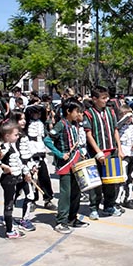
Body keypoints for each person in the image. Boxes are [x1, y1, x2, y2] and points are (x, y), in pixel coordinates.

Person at [44, 99, 89, 233]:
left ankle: (72, 217)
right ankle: (61, 221)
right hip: (65, 164)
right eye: (76, 111)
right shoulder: (61, 125)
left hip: (76, 161)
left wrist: (81, 153)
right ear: (68, 111)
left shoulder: (74, 125)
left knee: (76, 191)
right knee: (65, 193)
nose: (78, 114)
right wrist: (59, 154)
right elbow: (47, 140)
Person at [84, 86, 125, 220]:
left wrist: (120, 148)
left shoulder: (111, 112)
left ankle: (109, 206)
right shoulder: (88, 113)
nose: (106, 100)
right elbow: (89, 135)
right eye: (103, 98)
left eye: (107, 97)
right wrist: (98, 152)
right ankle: (94, 208)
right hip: (97, 153)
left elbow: (115, 130)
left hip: (111, 151)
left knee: (111, 182)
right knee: (96, 183)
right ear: (94, 99)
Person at [0, 119, 31, 239]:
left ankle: (10, 226)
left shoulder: (13, 146)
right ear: (7, 136)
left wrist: (25, 172)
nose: (17, 137)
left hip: (16, 178)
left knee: (13, 201)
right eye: (15, 135)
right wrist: (5, 167)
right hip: (8, 180)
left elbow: (19, 161)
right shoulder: (4, 147)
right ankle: (9, 230)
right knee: (9, 204)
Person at [117, 105, 133, 210]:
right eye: (127, 116)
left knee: (131, 177)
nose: (129, 118)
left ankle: (127, 199)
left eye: (131, 115)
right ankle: (117, 200)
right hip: (123, 153)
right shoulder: (119, 127)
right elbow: (116, 129)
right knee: (122, 178)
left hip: (132, 153)